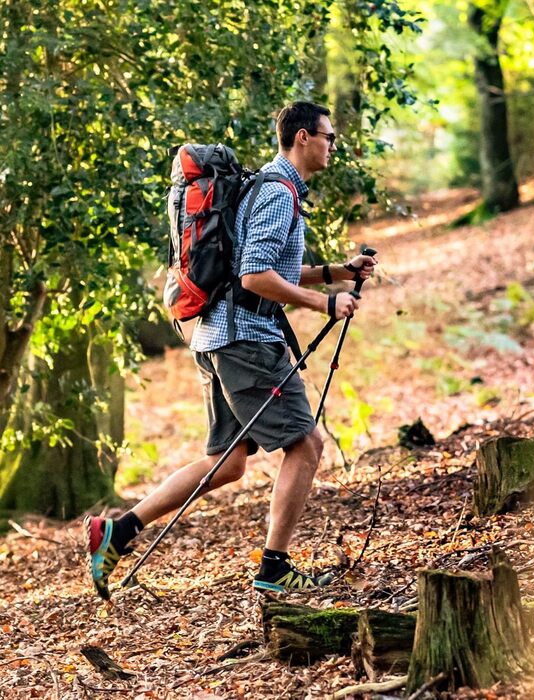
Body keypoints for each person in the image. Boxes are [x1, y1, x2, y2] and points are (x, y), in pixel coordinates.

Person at [84, 101, 377, 600]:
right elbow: (254, 277)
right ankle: (275, 567)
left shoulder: (271, 187)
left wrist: (336, 272)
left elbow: (267, 268)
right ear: (302, 137)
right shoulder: (277, 194)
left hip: (218, 336)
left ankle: (119, 531)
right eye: (328, 136)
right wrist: (325, 302)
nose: (334, 145)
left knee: (228, 460)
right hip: (244, 341)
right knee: (305, 446)